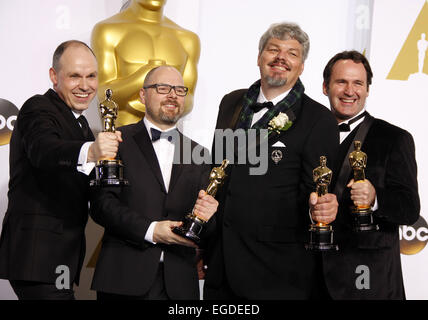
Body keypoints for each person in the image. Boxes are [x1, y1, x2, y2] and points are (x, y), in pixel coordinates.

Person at [203, 22, 339, 300]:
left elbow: (315, 192)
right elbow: (219, 170)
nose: (281, 58)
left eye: (292, 53)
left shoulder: (318, 119)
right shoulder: (231, 102)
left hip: (278, 272)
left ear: (301, 66)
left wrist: (321, 207)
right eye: (273, 49)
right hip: (221, 264)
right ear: (259, 57)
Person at [0, 40, 121, 300]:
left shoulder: (82, 126)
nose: (85, 86)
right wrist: (91, 151)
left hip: (62, 258)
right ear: (54, 76)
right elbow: (44, 150)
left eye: (91, 76)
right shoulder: (37, 108)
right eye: (74, 76)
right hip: (37, 257)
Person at [89, 65, 218, 300]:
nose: (172, 95)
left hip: (179, 284)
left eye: (180, 90)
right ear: (142, 95)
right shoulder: (116, 140)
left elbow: (205, 227)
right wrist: (151, 231)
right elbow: (101, 206)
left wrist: (209, 217)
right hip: (123, 278)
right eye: (163, 88)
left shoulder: (200, 153)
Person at [321, 50, 420, 299]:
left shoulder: (395, 138)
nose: (349, 91)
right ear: (325, 86)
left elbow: (409, 208)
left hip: (369, 280)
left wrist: (375, 198)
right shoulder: (311, 137)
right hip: (312, 276)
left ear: (367, 90)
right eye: (341, 81)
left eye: (358, 83)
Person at [91, 0, 200, 127]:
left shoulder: (187, 39)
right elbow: (103, 94)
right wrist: (144, 76)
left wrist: (156, 101)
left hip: (168, 140)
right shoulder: (108, 31)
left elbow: (189, 98)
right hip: (122, 139)